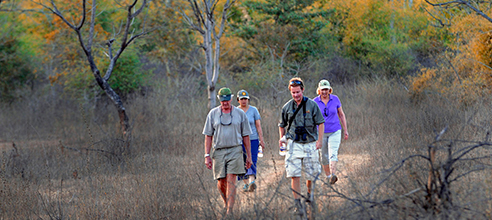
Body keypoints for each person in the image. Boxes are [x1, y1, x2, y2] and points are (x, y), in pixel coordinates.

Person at [203, 87, 253, 216]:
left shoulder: (240, 114)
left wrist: (249, 156)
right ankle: (226, 203)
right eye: (222, 100)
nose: (225, 103)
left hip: (235, 149)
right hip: (218, 151)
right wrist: (207, 155)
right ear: (220, 100)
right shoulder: (213, 114)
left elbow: (246, 135)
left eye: (227, 100)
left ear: (231, 98)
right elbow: (208, 136)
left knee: (231, 179)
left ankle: (230, 210)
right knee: (221, 182)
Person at [278, 77, 325, 215]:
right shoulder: (286, 107)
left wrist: (320, 140)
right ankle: (297, 205)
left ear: (302, 90)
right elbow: (282, 125)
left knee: (311, 175)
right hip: (293, 144)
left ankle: (310, 198)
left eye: (298, 92)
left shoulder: (312, 105)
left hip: (310, 143)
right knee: (294, 174)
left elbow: (320, 123)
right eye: (293, 92)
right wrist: (282, 139)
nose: (296, 95)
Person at [313, 79, 349, 185]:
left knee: (333, 153)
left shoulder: (335, 99)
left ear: (330, 90)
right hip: (321, 133)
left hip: (335, 130)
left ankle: (333, 174)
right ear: (319, 90)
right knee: (323, 156)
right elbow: (311, 118)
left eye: (326, 90)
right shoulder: (314, 101)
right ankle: (328, 176)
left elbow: (341, 114)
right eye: (322, 90)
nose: (324, 92)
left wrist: (345, 130)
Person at [236, 89, 266, 192]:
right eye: (242, 99)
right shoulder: (235, 111)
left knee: (252, 159)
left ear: (248, 100)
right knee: (241, 161)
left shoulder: (254, 110)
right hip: (239, 141)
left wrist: (261, 140)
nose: (244, 101)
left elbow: (258, 126)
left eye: (246, 99)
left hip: (253, 139)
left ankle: (252, 182)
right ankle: (245, 183)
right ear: (238, 100)